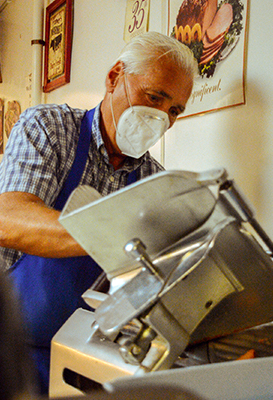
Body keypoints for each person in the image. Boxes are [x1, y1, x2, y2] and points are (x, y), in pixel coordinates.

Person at [0, 31, 197, 394]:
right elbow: (9, 219)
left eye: (174, 111)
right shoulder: (48, 129)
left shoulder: (153, 180)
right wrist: (120, 234)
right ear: (114, 77)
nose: (160, 119)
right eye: (153, 97)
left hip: (80, 354)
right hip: (9, 346)